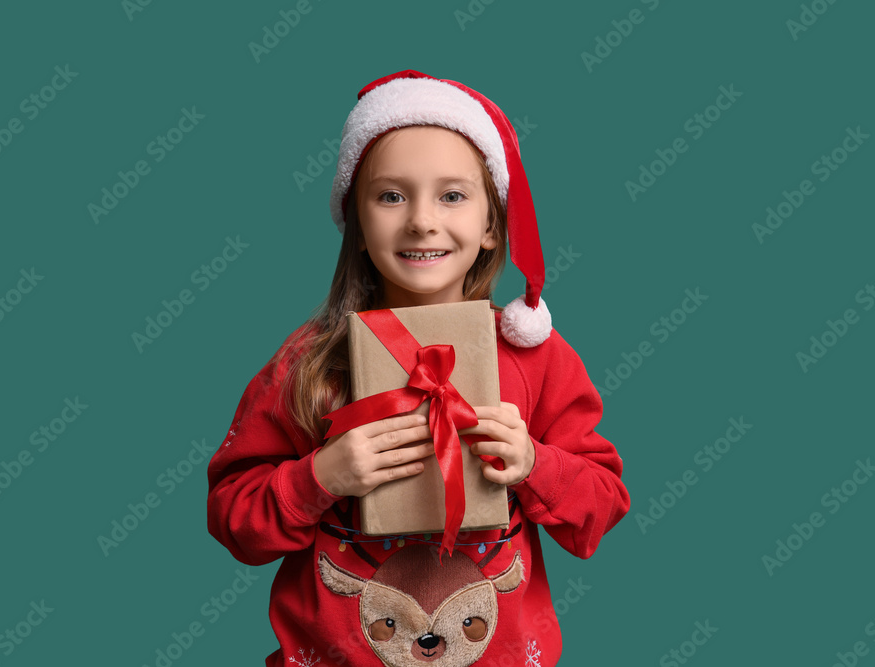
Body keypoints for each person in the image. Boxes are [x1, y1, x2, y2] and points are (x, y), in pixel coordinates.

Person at [207, 69, 630, 667]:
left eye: (452, 195)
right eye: (391, 195)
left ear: (491, 225)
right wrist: (319, 477)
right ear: (357, 225)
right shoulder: (308, 361)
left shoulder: (536, 355)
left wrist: (535, 464)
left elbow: (601, 506)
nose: (422, 221)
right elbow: (233, 518)